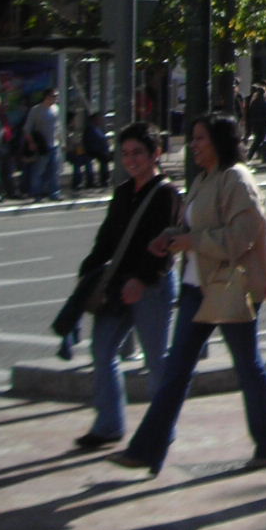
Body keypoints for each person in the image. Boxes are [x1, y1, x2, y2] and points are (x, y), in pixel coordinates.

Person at [111, 115, 266, 476]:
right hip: (196, 286)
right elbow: (195, 226)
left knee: (248, 367)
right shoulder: (204, 179)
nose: (194, 146)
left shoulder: (236, 179)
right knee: (176, 371)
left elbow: (243, 235)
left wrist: (192, 241)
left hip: (231, 288)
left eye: (200, 139)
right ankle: (147, 450)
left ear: (219, 141)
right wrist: (171, 236)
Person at [70, 125, 180, 450]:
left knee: (156, 360)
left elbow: (166, 247)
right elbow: (106, 240)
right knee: (102, 349)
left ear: (155, 154)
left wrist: (142, 279)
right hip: (118, 284)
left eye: (138, 153)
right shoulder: (122, 192)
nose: (131, 160)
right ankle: (108, 425)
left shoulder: (166, 194)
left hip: (152, 286)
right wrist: (88, 271)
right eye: (126, 154)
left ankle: (161, 427)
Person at [245, 82, 266, 166]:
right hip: (263, 125)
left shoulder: (254, 102)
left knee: (261, 140)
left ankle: (264, 158)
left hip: (256, 124)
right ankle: (251, 156)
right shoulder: (264, 103)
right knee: (259, 141)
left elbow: (250, 113)